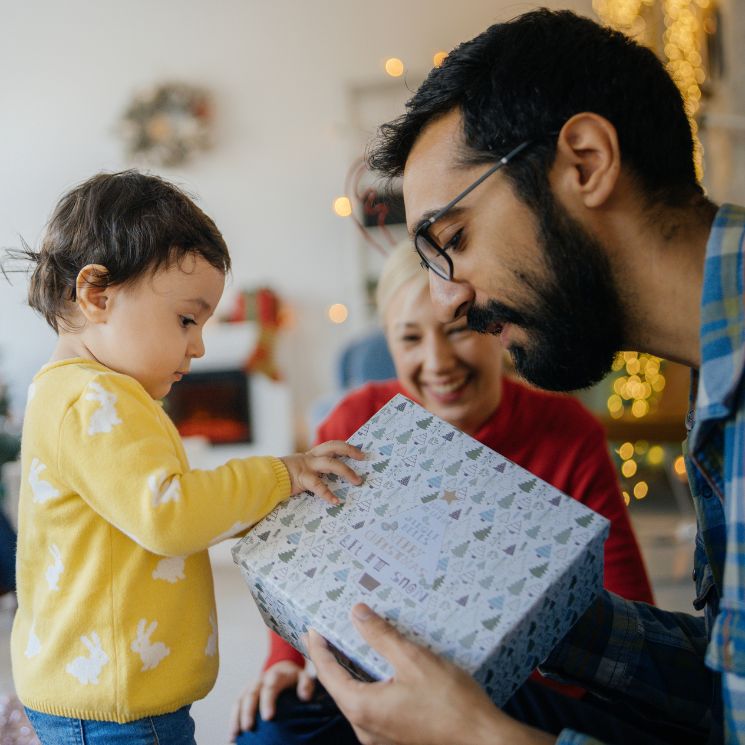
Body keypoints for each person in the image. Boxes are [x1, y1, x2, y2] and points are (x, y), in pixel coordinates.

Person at [305, 8, 740, 745]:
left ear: (583, 162)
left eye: (454, 239)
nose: (448, 299)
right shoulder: (716, 384)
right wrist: (523, 602)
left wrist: (477, 735)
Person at [231, 242, 664, 744]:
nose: (437, 362)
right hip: (374, 666)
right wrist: (286, 661)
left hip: (520, 687)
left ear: (494, 330)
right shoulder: (355, 421)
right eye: (410, 338)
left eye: (458, 331)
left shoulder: (567, 433)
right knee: (270, 728)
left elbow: (629, 612)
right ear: (389, 344)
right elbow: (308, 566)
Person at [6, 171, 362, 744]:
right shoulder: (93, 397)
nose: (197, 345)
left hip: (107, 693)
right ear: (98, 294)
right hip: (115, 708)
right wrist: (283, 473)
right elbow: (168, 514)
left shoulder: (81, 391)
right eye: (186, 320)